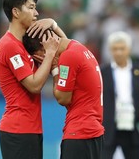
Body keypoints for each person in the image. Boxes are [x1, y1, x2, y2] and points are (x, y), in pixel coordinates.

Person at [0, 0, 65, 159]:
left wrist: (54, 25)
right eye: (31, 7)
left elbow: (66, 54)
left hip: (32, 128)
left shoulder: (27, 43)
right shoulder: (9, 45)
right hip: (18, 130)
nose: (36, 12)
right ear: (16, 12)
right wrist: (48, 54)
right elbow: (34, 85)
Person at [23, 29, 104, 159]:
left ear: (45, 47)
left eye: (42, 57)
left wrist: (55, 69)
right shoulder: (78, 47)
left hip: (79, 133)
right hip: (93, 131)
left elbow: (63, 98)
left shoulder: (68, 56)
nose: (45, 61)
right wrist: (53, 25)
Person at [100, 31, 139, 159]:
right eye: (115, 49)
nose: (118, 52)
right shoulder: (102, 72)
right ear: (110, 50)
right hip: (109, 127)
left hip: (133, 127)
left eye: (122, 48)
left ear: (128, 49)